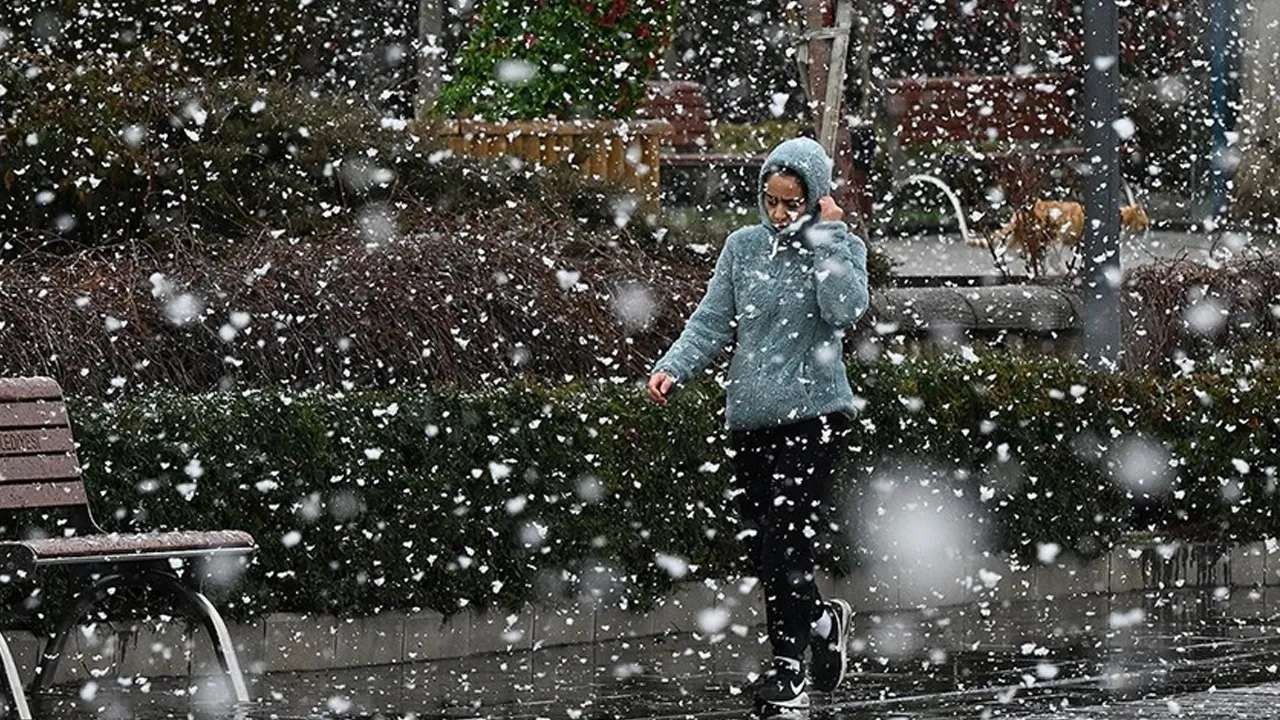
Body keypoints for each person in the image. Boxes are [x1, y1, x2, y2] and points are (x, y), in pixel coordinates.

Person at [646, 137, 869, 716]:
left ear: (817, 200)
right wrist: (675, 366)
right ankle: (822, 620)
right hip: (750, 420)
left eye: (792, 203)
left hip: (815, 418)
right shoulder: (743, 248)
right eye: (771, 200)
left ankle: (788, 670)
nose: (778, 214)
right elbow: (712, 319)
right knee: (762, 548)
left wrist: (828, 236)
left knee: (784, 547)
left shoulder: (838, 246)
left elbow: (845, 309)